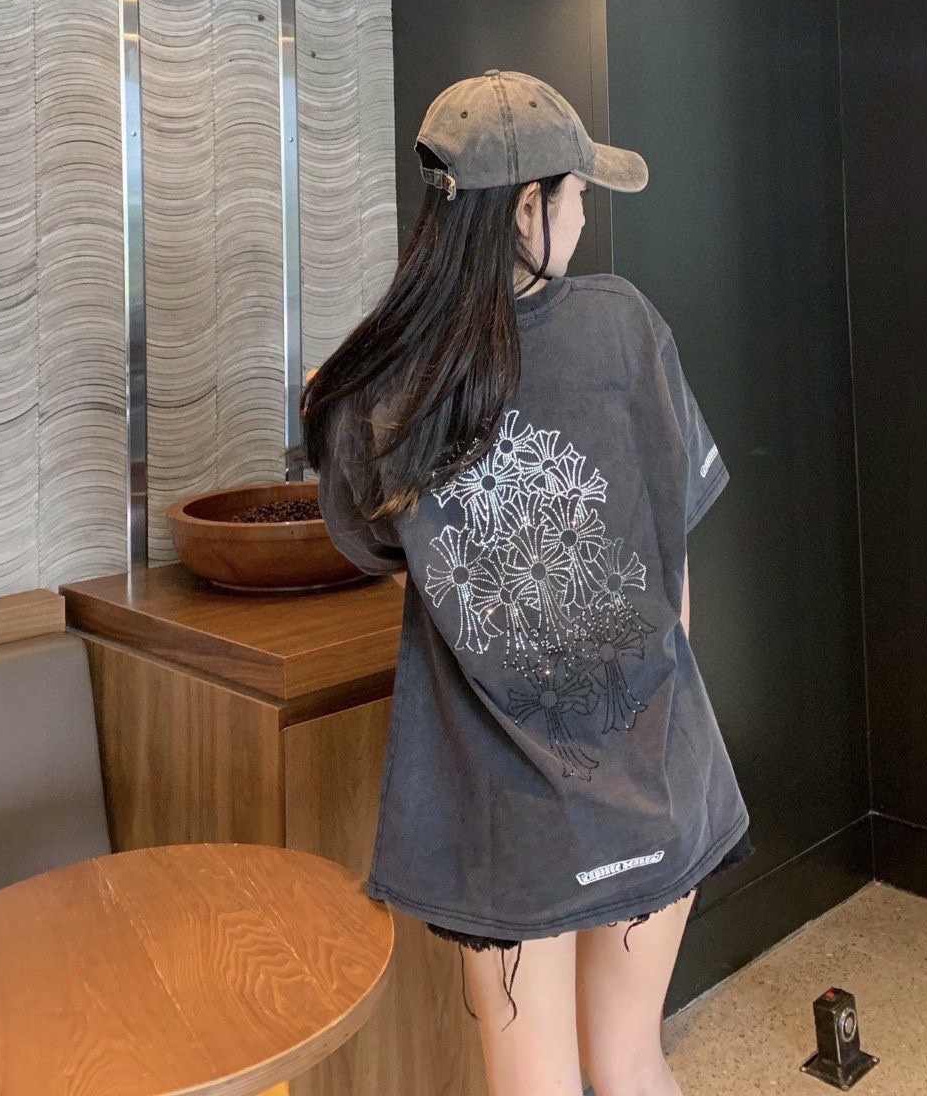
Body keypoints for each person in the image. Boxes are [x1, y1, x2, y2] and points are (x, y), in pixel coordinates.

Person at [298, 69, 752, 1096]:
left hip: (501, 810)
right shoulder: (626, 327)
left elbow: (383, 558)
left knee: (530, 1083)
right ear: (526, 208)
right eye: (577, 192)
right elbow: (673, 576)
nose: (585, 214)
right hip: (651, 768)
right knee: (631, 1061)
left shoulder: (379, 384)